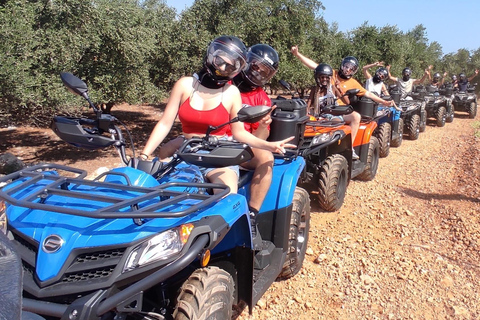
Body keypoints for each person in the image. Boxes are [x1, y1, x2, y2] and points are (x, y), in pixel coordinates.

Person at [140, 36, 294, 213]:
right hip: (189, 149)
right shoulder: (188, 84)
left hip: (222, 151)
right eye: (220, 60)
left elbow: (240, 134)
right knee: (163, 191)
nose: (222, 68)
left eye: (230, 66)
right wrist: (144, 155)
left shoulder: (236, 93)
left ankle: (251, 215)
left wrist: (268, 144)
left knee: (228, 201)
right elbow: (165, 123)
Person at [291, 45, 395, 159]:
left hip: (341, 111)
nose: (348, 69)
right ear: (342, 65)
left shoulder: (354, 82)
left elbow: (368, 94)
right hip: (324, 108)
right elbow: (315, 66)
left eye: (352, 68)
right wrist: (297, 54)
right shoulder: (331, 74)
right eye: (347, 66)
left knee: (356, 117)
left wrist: (384, 102)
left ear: (354, 71)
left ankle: (349, 148)